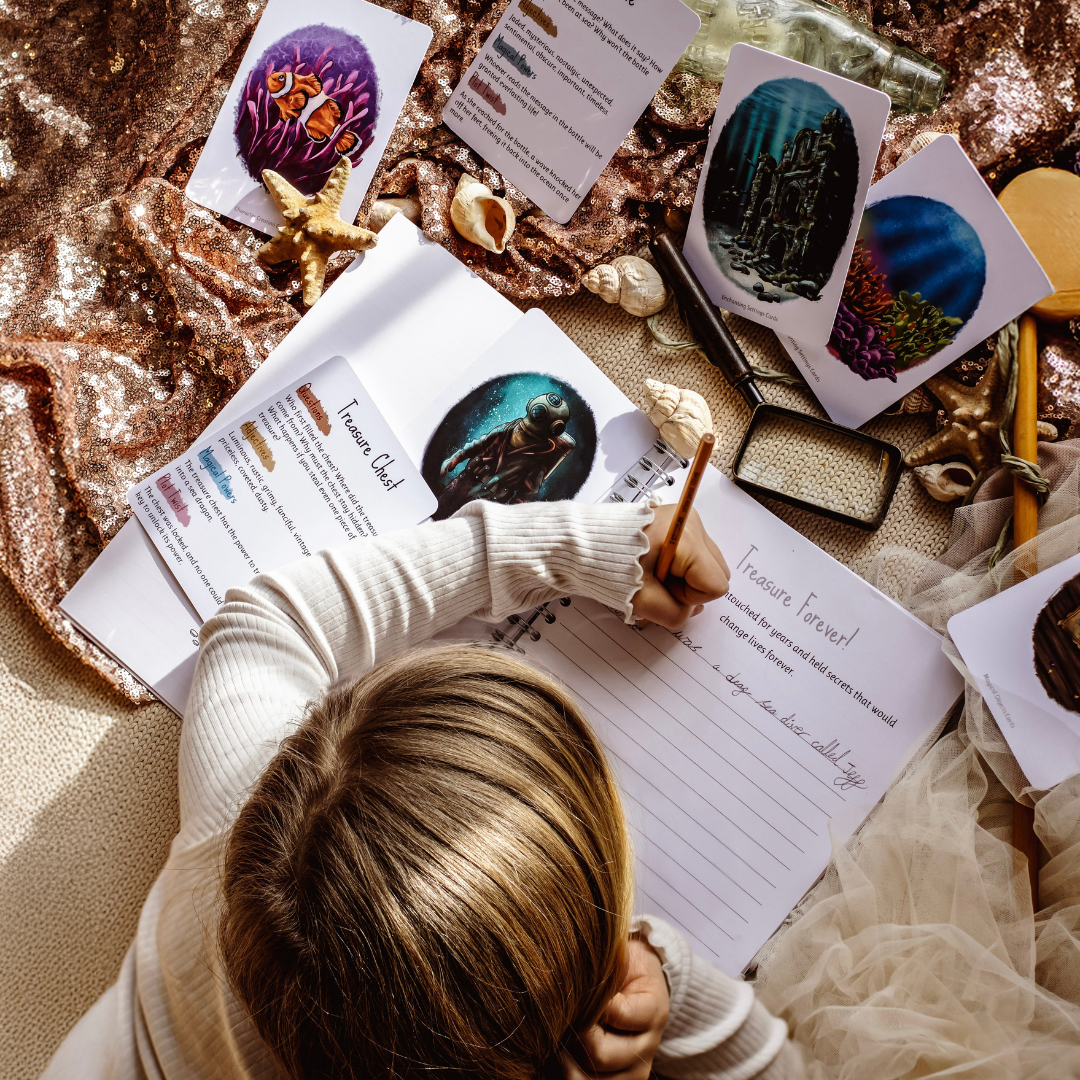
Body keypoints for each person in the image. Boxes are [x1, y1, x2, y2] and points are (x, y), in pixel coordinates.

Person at [41, 499, 804, 1080]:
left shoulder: (234, 823)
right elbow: (777, 1067)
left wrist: (580, 544)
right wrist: (656, 968)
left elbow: (262, 622)